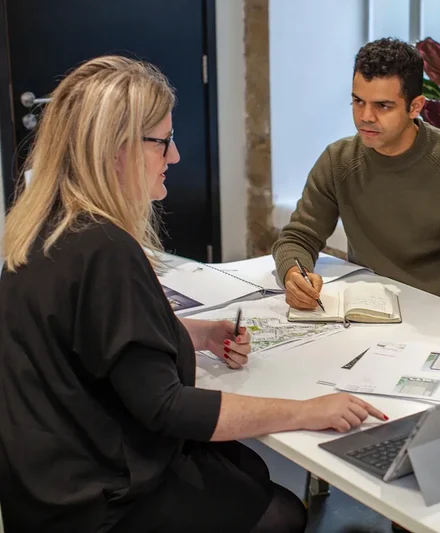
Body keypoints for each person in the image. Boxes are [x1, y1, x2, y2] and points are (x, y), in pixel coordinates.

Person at [0, 56, 386, 533]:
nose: (175, 156)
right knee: (278, 511)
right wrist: (309, 411)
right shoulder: (105, 250)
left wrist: (194, 333)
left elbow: (88, 335)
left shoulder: (45, 226)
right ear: (116, 149)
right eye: (163, 142)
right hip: (95, 502)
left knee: (245, 468)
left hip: (40, 482)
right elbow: (168, 407)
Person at [272, 38, 440, 309]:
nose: (365, 116)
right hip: (370, 314)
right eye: (358, 101)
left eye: (382, 106)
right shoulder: (338, 161)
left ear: (415, 106)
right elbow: (298, 237)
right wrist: (294, 274)